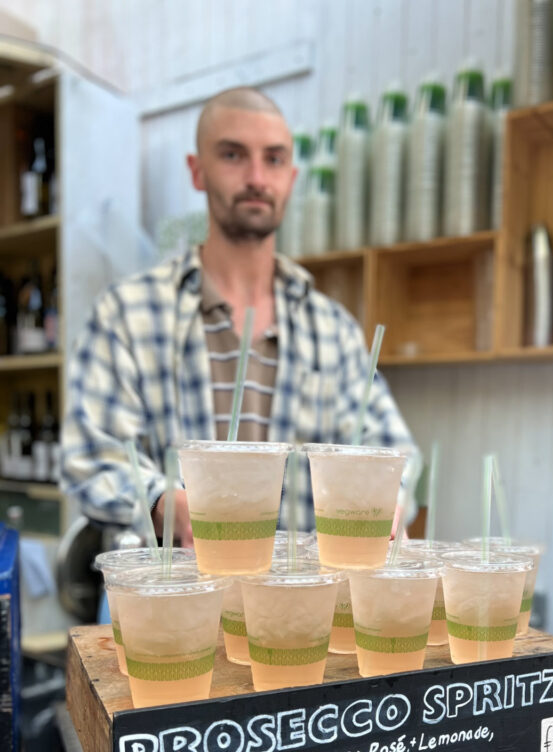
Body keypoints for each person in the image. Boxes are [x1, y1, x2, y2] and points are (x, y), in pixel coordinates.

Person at [62, 87, 417, 545]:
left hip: (300, 609)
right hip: (170, 602)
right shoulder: (128, 315)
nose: (256, 177)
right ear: (197, 171)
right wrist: (158, 502)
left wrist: (390, 495)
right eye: (233, 155)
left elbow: (394, 450)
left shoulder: (333, 331)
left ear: (291, 176)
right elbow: (90, 454)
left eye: (273, 160)